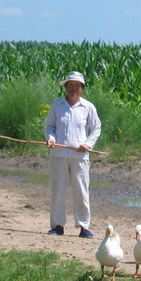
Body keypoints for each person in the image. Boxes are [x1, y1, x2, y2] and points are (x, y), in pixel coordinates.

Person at [44, 71, 102, 238]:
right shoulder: (57, 105)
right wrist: (51, 139)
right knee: (58, 190)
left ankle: (84, 226)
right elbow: (49, 127)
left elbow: (96, 128)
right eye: (70, 85)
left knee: (81, 191)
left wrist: (87, 144)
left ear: (82, 89)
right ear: (66, 87)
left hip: (80, 156)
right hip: (58, 154)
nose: (73, 89)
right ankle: (57, 225)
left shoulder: (88, 107)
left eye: (77, 86)